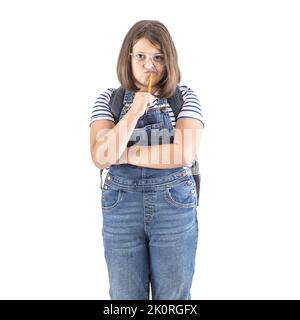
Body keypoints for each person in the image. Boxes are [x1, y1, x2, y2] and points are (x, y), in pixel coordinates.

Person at [89, 20, 205, 300]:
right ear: (128, 58)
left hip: (173, 207)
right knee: (125, 297)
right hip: (121, 210)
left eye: (158, 57)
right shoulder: (109, 100)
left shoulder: (185, 97)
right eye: (140, 56)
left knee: (173, 299)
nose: (149, 65)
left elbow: (183, 154)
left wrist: (123, 154)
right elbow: (100, 156)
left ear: (169, 61)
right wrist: (133, 112)